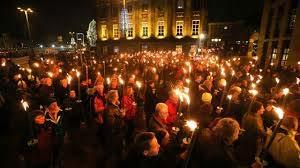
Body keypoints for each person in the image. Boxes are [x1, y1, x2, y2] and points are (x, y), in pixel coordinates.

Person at [237, 101, 267, 165]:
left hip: (246, 142)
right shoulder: (255, 119)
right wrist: (268, 133)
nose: (264, 109)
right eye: (262, 108)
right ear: (257, 109)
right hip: (252, 144)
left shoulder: (248, 114)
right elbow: (261, 132)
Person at [103, 90, 126, 163]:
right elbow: (111, 123)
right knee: (115, 150)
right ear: (113, 98)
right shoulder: (110, 109)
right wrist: (122, 116)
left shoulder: (114, 106)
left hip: (117, 133)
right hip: (114, 134)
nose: (118, 97)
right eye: (117, 96)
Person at [44, 98, 64, 168]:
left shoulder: (60, 112)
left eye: (56, 104)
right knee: (53, 151)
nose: (55, 106)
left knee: (60, 150)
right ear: (49, 106)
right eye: (53, 105)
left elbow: (63, 123)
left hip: (60, 135)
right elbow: (46, 125)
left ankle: (60, 163)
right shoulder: (46, 115)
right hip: (51, 136)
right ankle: (54, 163)